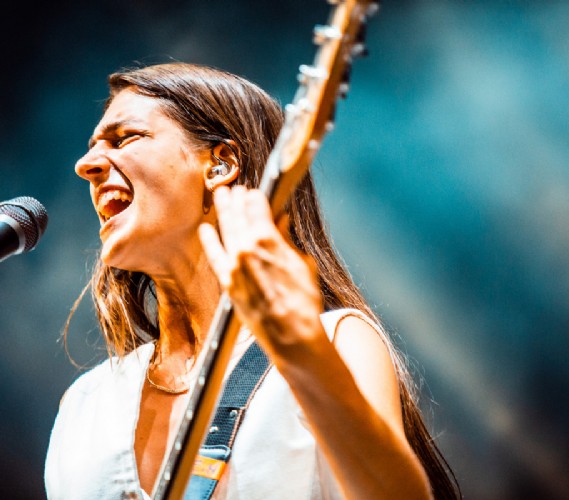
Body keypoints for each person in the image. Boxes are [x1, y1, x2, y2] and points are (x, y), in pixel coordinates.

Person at [44, 62, 460, 499]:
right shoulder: (85, 405)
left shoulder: (334, 343)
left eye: (124, 138)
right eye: (92, 146)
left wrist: (303, 356)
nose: (85, 165)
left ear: (220, 164)